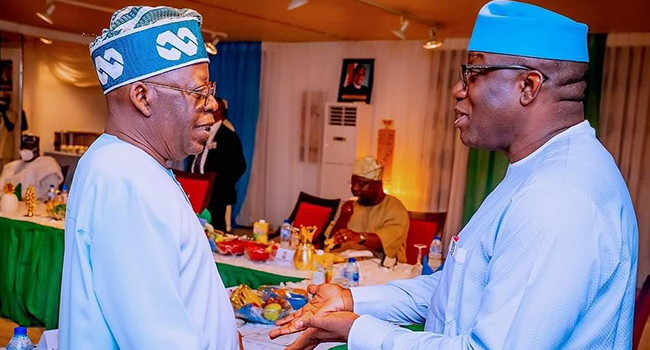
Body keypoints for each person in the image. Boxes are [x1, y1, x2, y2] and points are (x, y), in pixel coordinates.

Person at [270, 1, 639, 349]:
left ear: (528, 86)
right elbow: (459, 291)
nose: (458, 89)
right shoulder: (537, 171)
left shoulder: (559, 196)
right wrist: (353, 299)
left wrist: (357, 329)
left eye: (474, 71)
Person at [59, 6, 239, 350]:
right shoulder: (125, 180)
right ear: (142, 97)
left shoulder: (131, 165)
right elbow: (156, 340)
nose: (212, 104)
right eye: (198, 93)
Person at [326, 156, 409, 263]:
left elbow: (382, 244)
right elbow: (332, 242)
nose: (355, 188)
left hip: (382, 268)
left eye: (361, 184)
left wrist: (358, 236)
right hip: (346, 263)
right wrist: (343, 217)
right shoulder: (352, 205)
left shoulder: (395, 209)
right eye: (353, 183)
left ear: (378, 185)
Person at [190, 97, 246, 232]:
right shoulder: (199, 132)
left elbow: (239, 166)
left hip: (216, 195)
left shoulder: (229, 136)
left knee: (216, 232)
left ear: (219, 112)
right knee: (196, 229)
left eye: (211, 109)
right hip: (194, 189)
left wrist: (220, 184)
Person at [0, 134, 63, 200]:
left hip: (37, 203)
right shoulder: (12, 166)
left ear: (36, 149)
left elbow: (49, 192)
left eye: (27, 148)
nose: (23, 151)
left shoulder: (47, 164)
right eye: (22, 148)